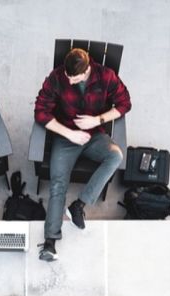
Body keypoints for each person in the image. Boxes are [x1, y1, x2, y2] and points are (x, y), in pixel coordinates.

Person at [33, 48, 132, 261]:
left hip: (94, 135)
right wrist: (69, 133)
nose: (69, 80)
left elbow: (125, 104)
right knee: (58, 183)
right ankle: (50, 243)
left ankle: (79, 205)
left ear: (87, 70)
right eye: (68, 76)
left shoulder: (106, 76)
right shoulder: (58, 77)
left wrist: (98, 120)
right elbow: (40, 111)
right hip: (66, 136)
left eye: (74, 77)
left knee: (116, 156)